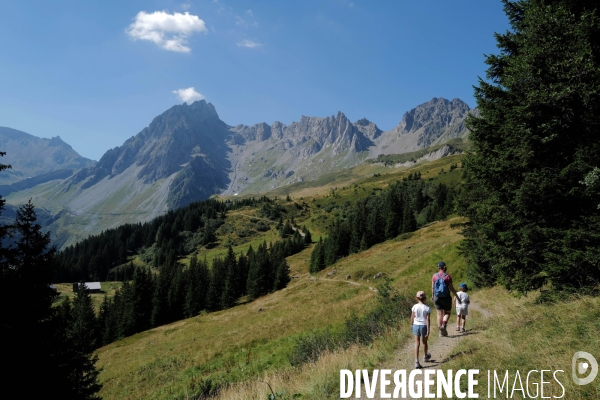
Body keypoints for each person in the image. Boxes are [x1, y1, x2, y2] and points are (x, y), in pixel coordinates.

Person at [431, 261, 461, 337]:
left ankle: (440, 332)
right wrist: (457, 297)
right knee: (447, 312)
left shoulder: (434, 276)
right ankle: (444, 324)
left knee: (439, 314)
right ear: (445, 267)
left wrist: (432, 296)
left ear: (438, 267)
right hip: (446, 297)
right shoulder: (448, 276)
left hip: (437, 297)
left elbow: (433, 287)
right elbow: (451, 288)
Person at [411, 290, 431, 369]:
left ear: (417, 298)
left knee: (417, 343)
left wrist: (411, 324)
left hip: (416, 325)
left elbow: (412, 317)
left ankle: (416, 361)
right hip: (424, 326)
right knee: (424, 342)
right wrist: (428, 329)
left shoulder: (414, 306)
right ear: (425, 298)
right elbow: (428, 319)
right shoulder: (427, 308)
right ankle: (425, 356)